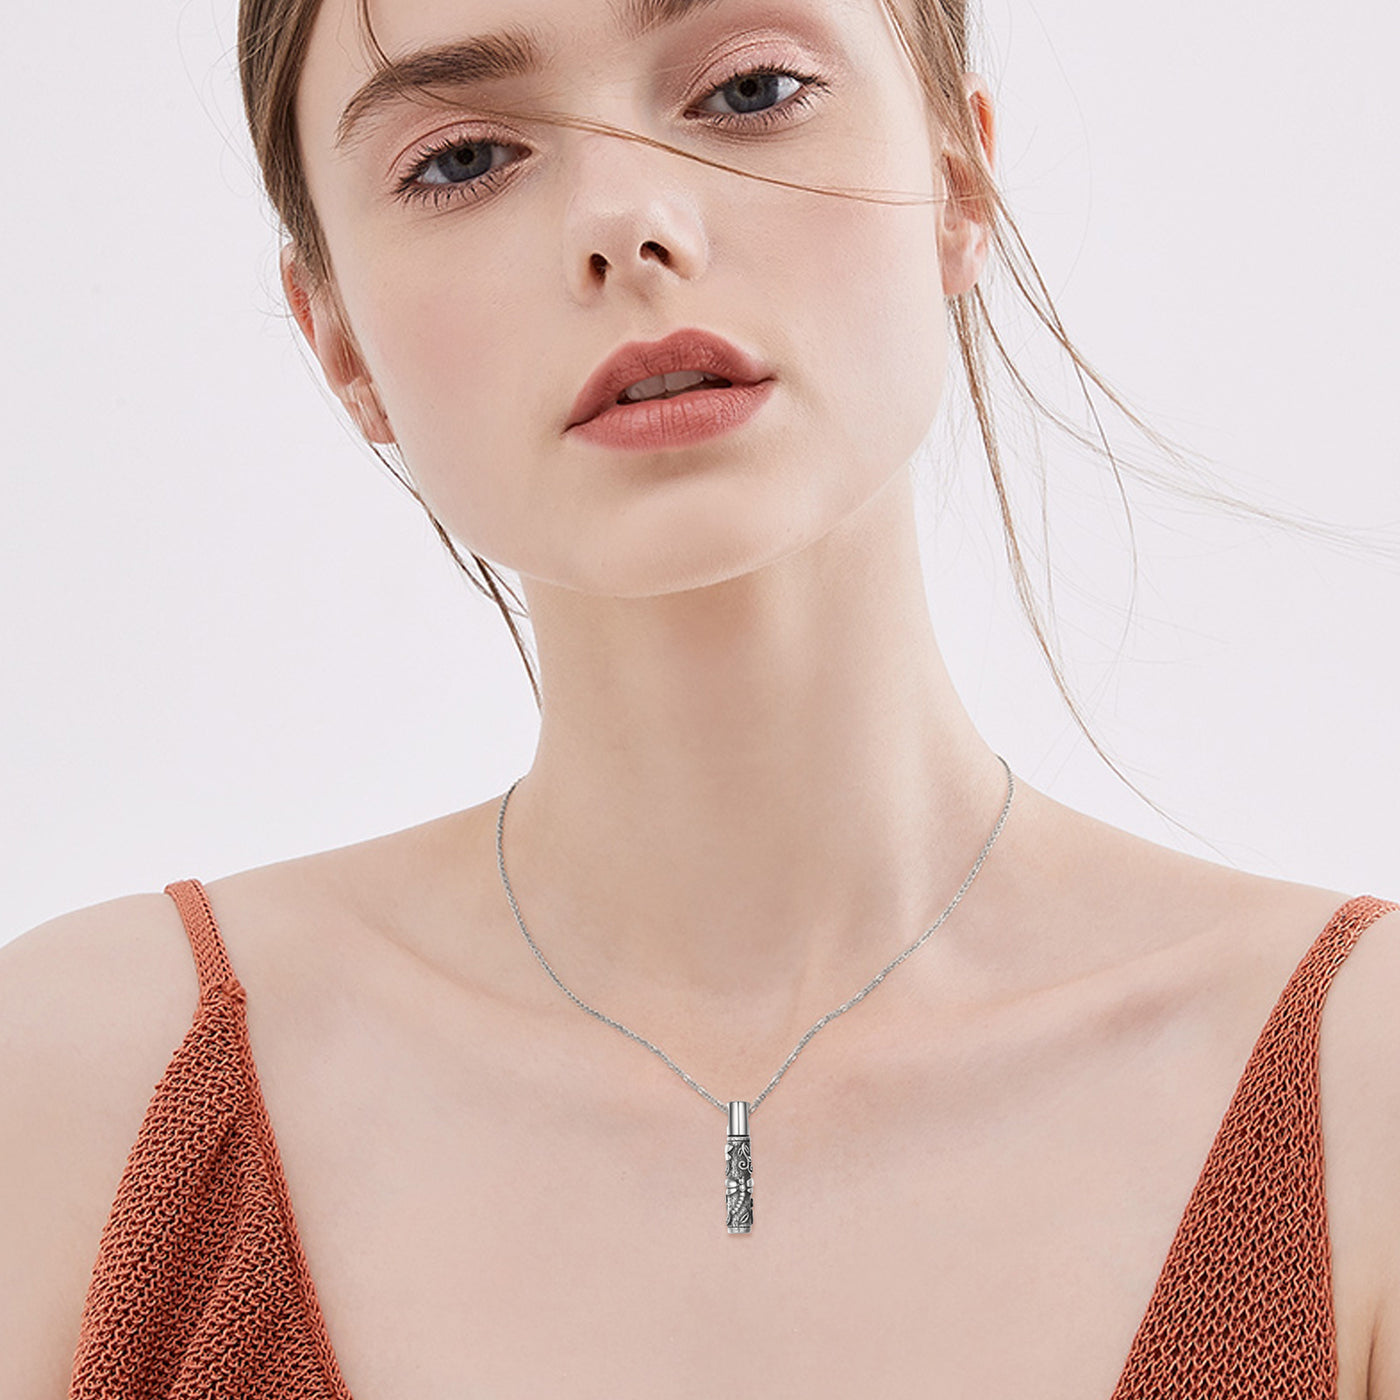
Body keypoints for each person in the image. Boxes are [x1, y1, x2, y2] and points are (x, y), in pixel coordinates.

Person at [2, 0, 1396, 1395]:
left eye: (750, 90)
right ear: (340, 343)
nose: (626, 220)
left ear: (957, 183)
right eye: (462, 159)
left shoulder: (1363, 1102)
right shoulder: (89, 1099)